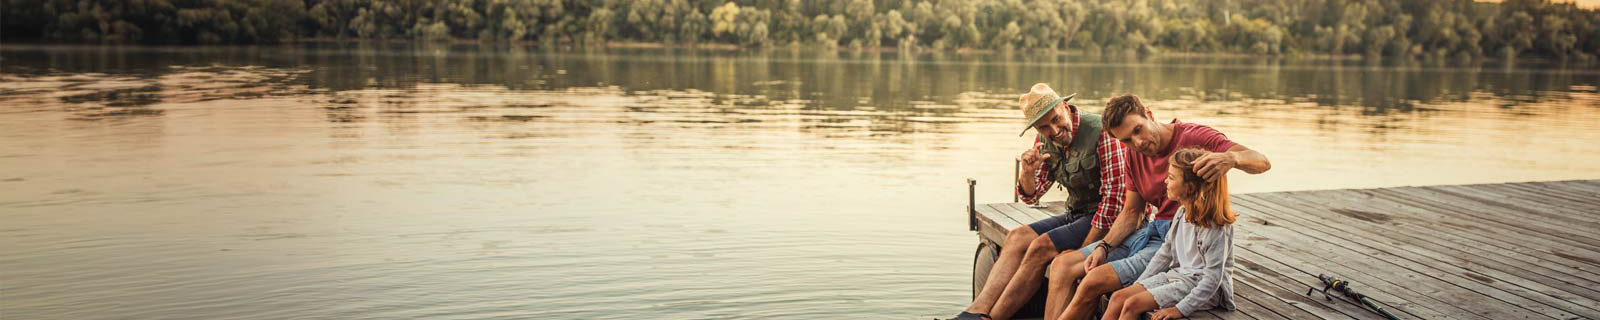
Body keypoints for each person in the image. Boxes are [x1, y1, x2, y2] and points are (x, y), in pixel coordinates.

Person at [1050, 94, 1270, 320]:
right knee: (1062, 265)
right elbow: (1132, 212)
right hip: (1150, 232)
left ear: (1149, 114)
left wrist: (1231, 159)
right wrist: (1104, 246)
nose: (1137, 143)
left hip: (1182, 243)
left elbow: (1262, 162)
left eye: (1138, 130)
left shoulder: (1194, 137)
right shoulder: (1134, 154)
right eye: (1125, 140)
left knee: (1092, 282)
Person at [948, 84, 1131, 320]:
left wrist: (1083, 251)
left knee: (1040, 247)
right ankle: (976, 312)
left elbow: (1115, 203)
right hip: (1077, 213)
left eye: (1056, 119)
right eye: (1044, 126)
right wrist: (1026, 172)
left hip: (1107, 220)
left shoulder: (1101, 132)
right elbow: (1031, 196)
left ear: (1065, 106)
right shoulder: (1044, 140)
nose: (1053, 130)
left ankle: (992, 319)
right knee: (1017, 237)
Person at [1102, 147, 1238, 320]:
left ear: (1189, 187)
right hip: (1178, 276)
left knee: (1132, 304)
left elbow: (1212, 279)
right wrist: (1140, 284)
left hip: (1205, 289)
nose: (1165, 181)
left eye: (1172, 177)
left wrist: (1180, 310)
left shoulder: (1215, 226)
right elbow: (1164, 254)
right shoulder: (1181, 213)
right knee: (1119, 297)